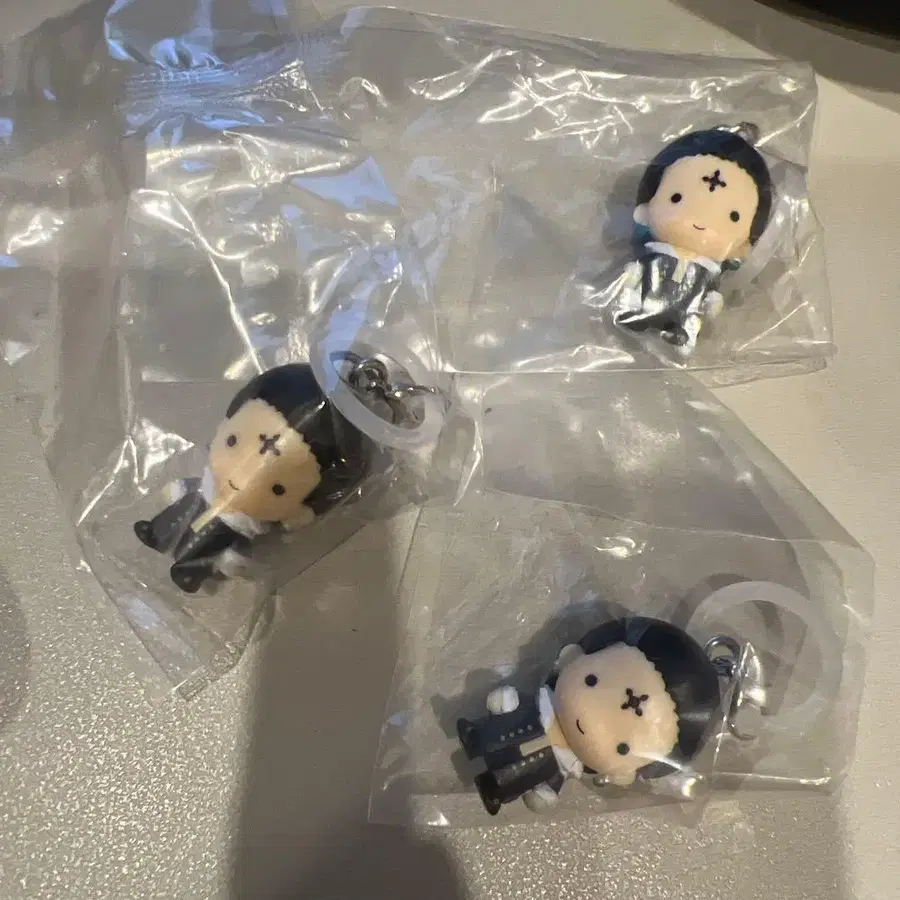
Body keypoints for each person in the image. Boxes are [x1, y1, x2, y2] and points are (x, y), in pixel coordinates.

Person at [134, 363, 371, 593]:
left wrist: (233, 561)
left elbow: (237, 556)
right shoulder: (208, 484)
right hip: (205, 497)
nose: (244, 480)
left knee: (210, 542)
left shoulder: (246, 524)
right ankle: (158, 533)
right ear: (226, 425)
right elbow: (186, 489)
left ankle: (189, 571)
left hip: (228, 527)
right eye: (232, 441)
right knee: (183, 511)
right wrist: (180, 488)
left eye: (278, 489)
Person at [457, 617, 722, 816]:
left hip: (541, 767)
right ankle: (475, 737)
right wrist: (506, 702)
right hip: (520, 722)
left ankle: (495, 789)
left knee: (517, 778)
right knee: (495, 732)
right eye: (591, 680)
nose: (592, 726)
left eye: (622, 747)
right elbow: (508, 704)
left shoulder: (565, 766)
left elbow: (550, 786)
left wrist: (546, 792)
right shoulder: (542, 704)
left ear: (625, 774)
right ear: (575, 657)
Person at [614, 125, 773, 356]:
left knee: (687, 321)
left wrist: (711, 301)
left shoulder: (707, 272)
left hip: (685, 312)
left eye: (733, 216)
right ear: (648, 205)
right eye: (676, 198)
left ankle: (682, 334)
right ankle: (636, 314)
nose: (700, 222)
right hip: (644, 300)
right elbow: (638, 272)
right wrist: (632, 278)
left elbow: (708, 296)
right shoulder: (653, 255)